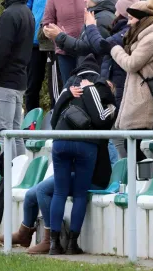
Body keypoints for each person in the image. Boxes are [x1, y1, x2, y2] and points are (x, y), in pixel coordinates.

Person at [48, 55, 117, 255]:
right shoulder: (97, 88)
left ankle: (54, 244)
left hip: (60, 140)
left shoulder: (68, 87)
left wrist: (68, 95)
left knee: (60, 192)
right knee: (79, 194)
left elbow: (53, 120)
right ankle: (72, 244)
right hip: (86, 143)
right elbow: (101, 119)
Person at [26, 0, 96, 111]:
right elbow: (47, 20)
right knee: (68, 90)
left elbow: (97, 15)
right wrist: (52, 32)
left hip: (87, 49)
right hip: (62, 50)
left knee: (87, 90)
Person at [97, 0, 153, 161]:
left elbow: (131, 64)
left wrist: (115, 49)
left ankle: (144, 182)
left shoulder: (151, 38)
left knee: (133, 146)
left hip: (145, 99)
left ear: (142, 20)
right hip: (139, 97)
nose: (128, 23)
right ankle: (142, 182)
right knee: (131, 145)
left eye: (132, 19)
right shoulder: (144, 36)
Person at [84, 0, 141, 159]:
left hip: (121, 88)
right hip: (117, 85)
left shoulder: (125, 31)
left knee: (117, 134)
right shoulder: (123, 29)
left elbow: (101, 45)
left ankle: (122, 175)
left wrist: (90, 26)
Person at [0, 0, 34, 160]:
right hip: (19, 80)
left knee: (5, 132)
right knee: (15, 133)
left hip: (4, 81)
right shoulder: (27, 13)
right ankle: (19, 174)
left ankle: (9, 177)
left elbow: (1, 50)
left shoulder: (10, 15)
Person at [42, 0, 92, 85]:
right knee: (70, 88)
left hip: (88, 50)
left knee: (88, 87)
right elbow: (47, 21)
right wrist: (50, 32)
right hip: (64, 51)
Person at [53, 0, 116, 66]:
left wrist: (60, 37)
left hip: (95, 70)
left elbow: (87, 48)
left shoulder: (101, 19)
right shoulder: (100, 15)